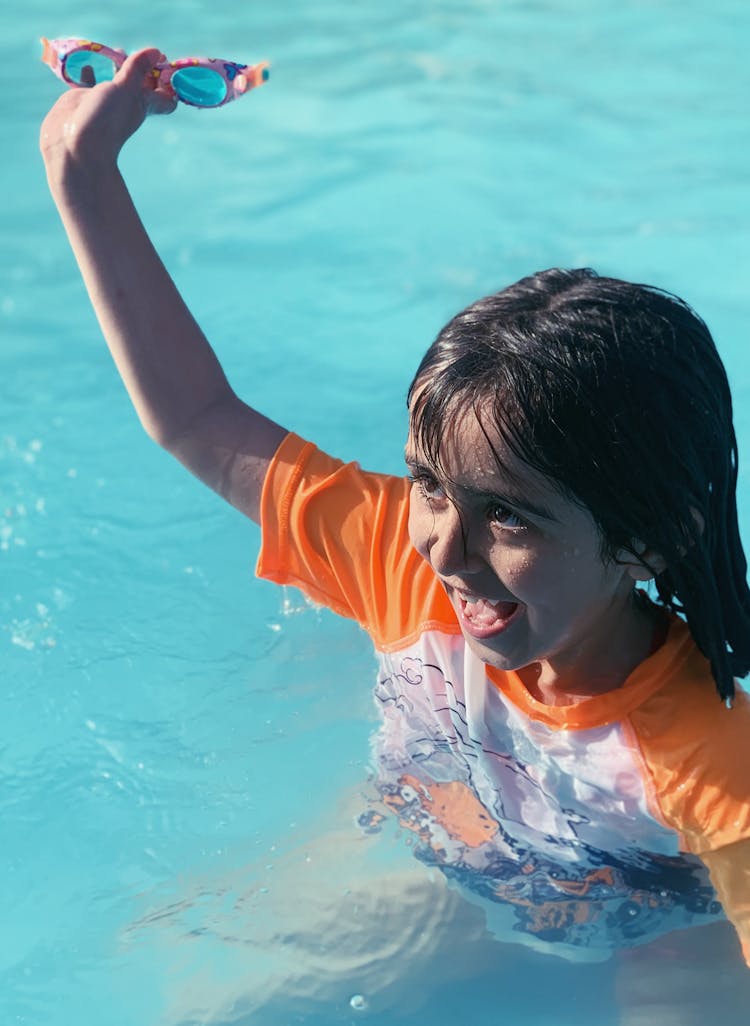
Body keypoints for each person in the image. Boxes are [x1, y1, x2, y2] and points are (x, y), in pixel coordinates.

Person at [40, 47, 750, 1019]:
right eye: (429, 487)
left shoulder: (712, 760)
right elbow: (199, 418)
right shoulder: (399, 563)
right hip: (456, 860)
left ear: (651, 538)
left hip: (656, 915)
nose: (444, 550)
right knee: (182, 991)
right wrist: (84, 178)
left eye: (508, 514)